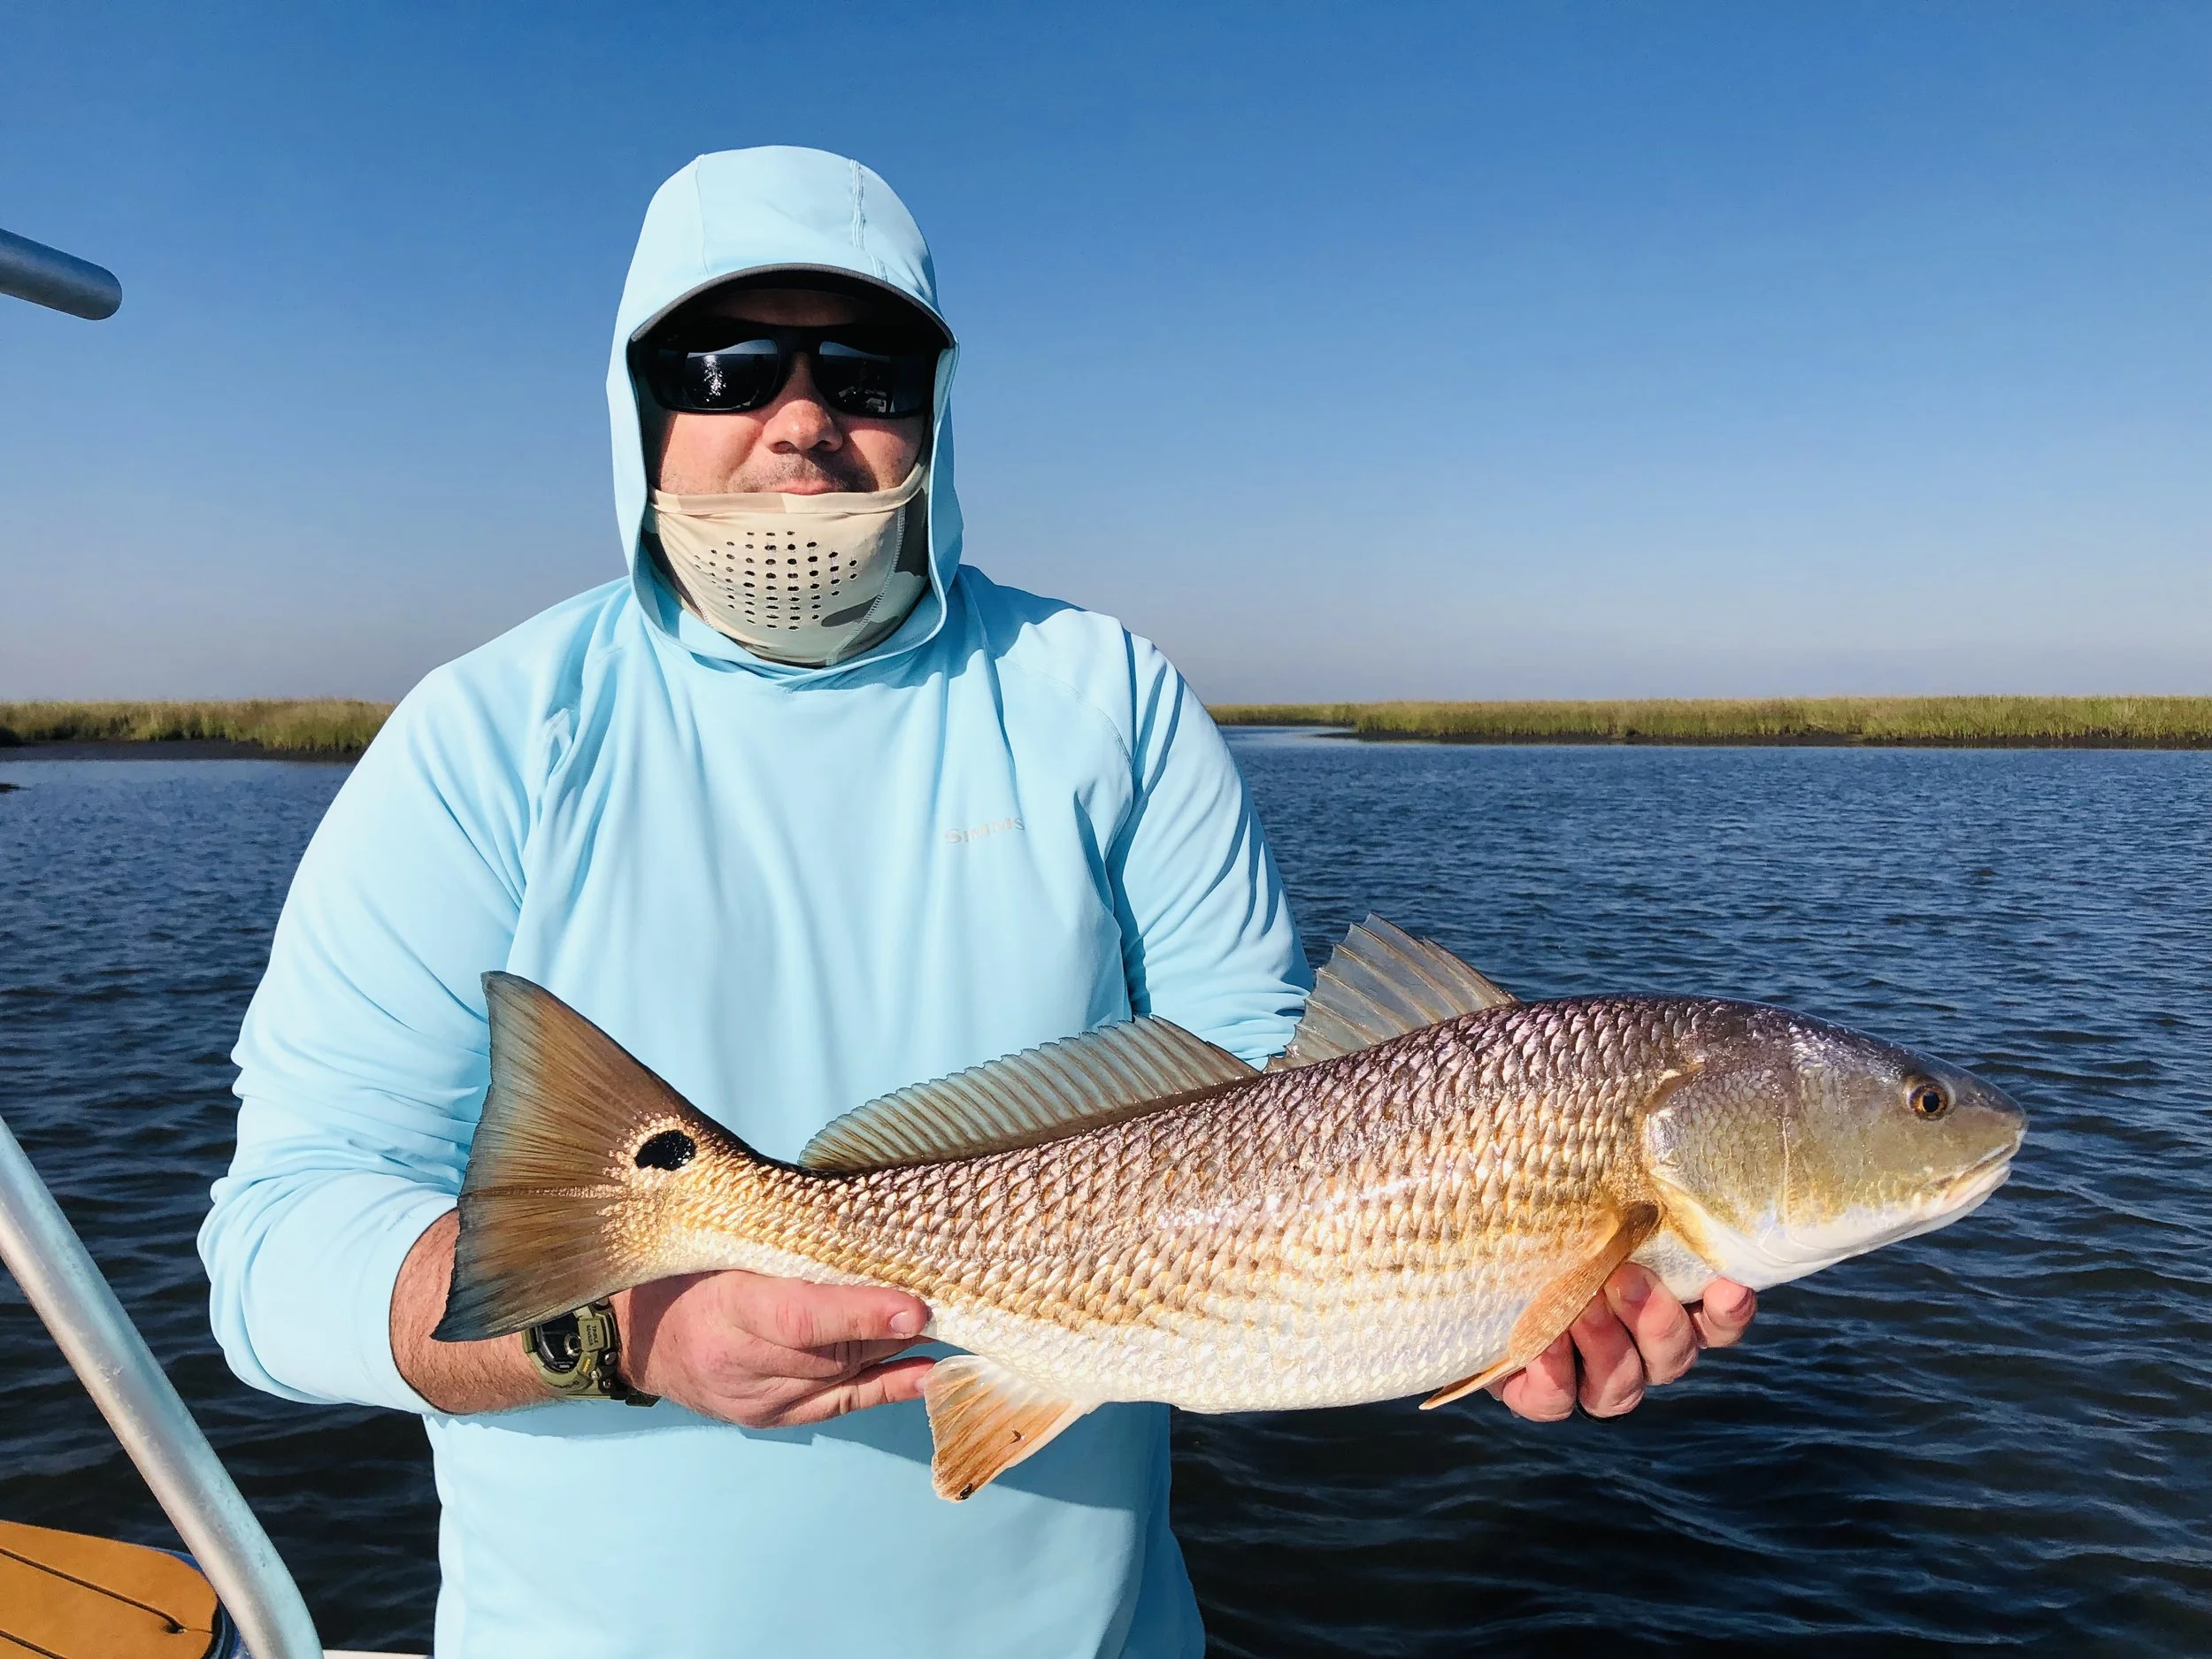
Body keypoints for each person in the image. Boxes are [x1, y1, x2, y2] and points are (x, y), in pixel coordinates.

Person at [199, 147, 1755, 1658]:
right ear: (638, 401)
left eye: (867, 369)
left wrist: (1493, 1274)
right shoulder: (482, 738)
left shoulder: (1109, 698)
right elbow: (275, 1250)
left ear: (936, 411)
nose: (801, 420)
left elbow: (1287, 1104)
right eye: (723, 365)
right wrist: (628, 1331)